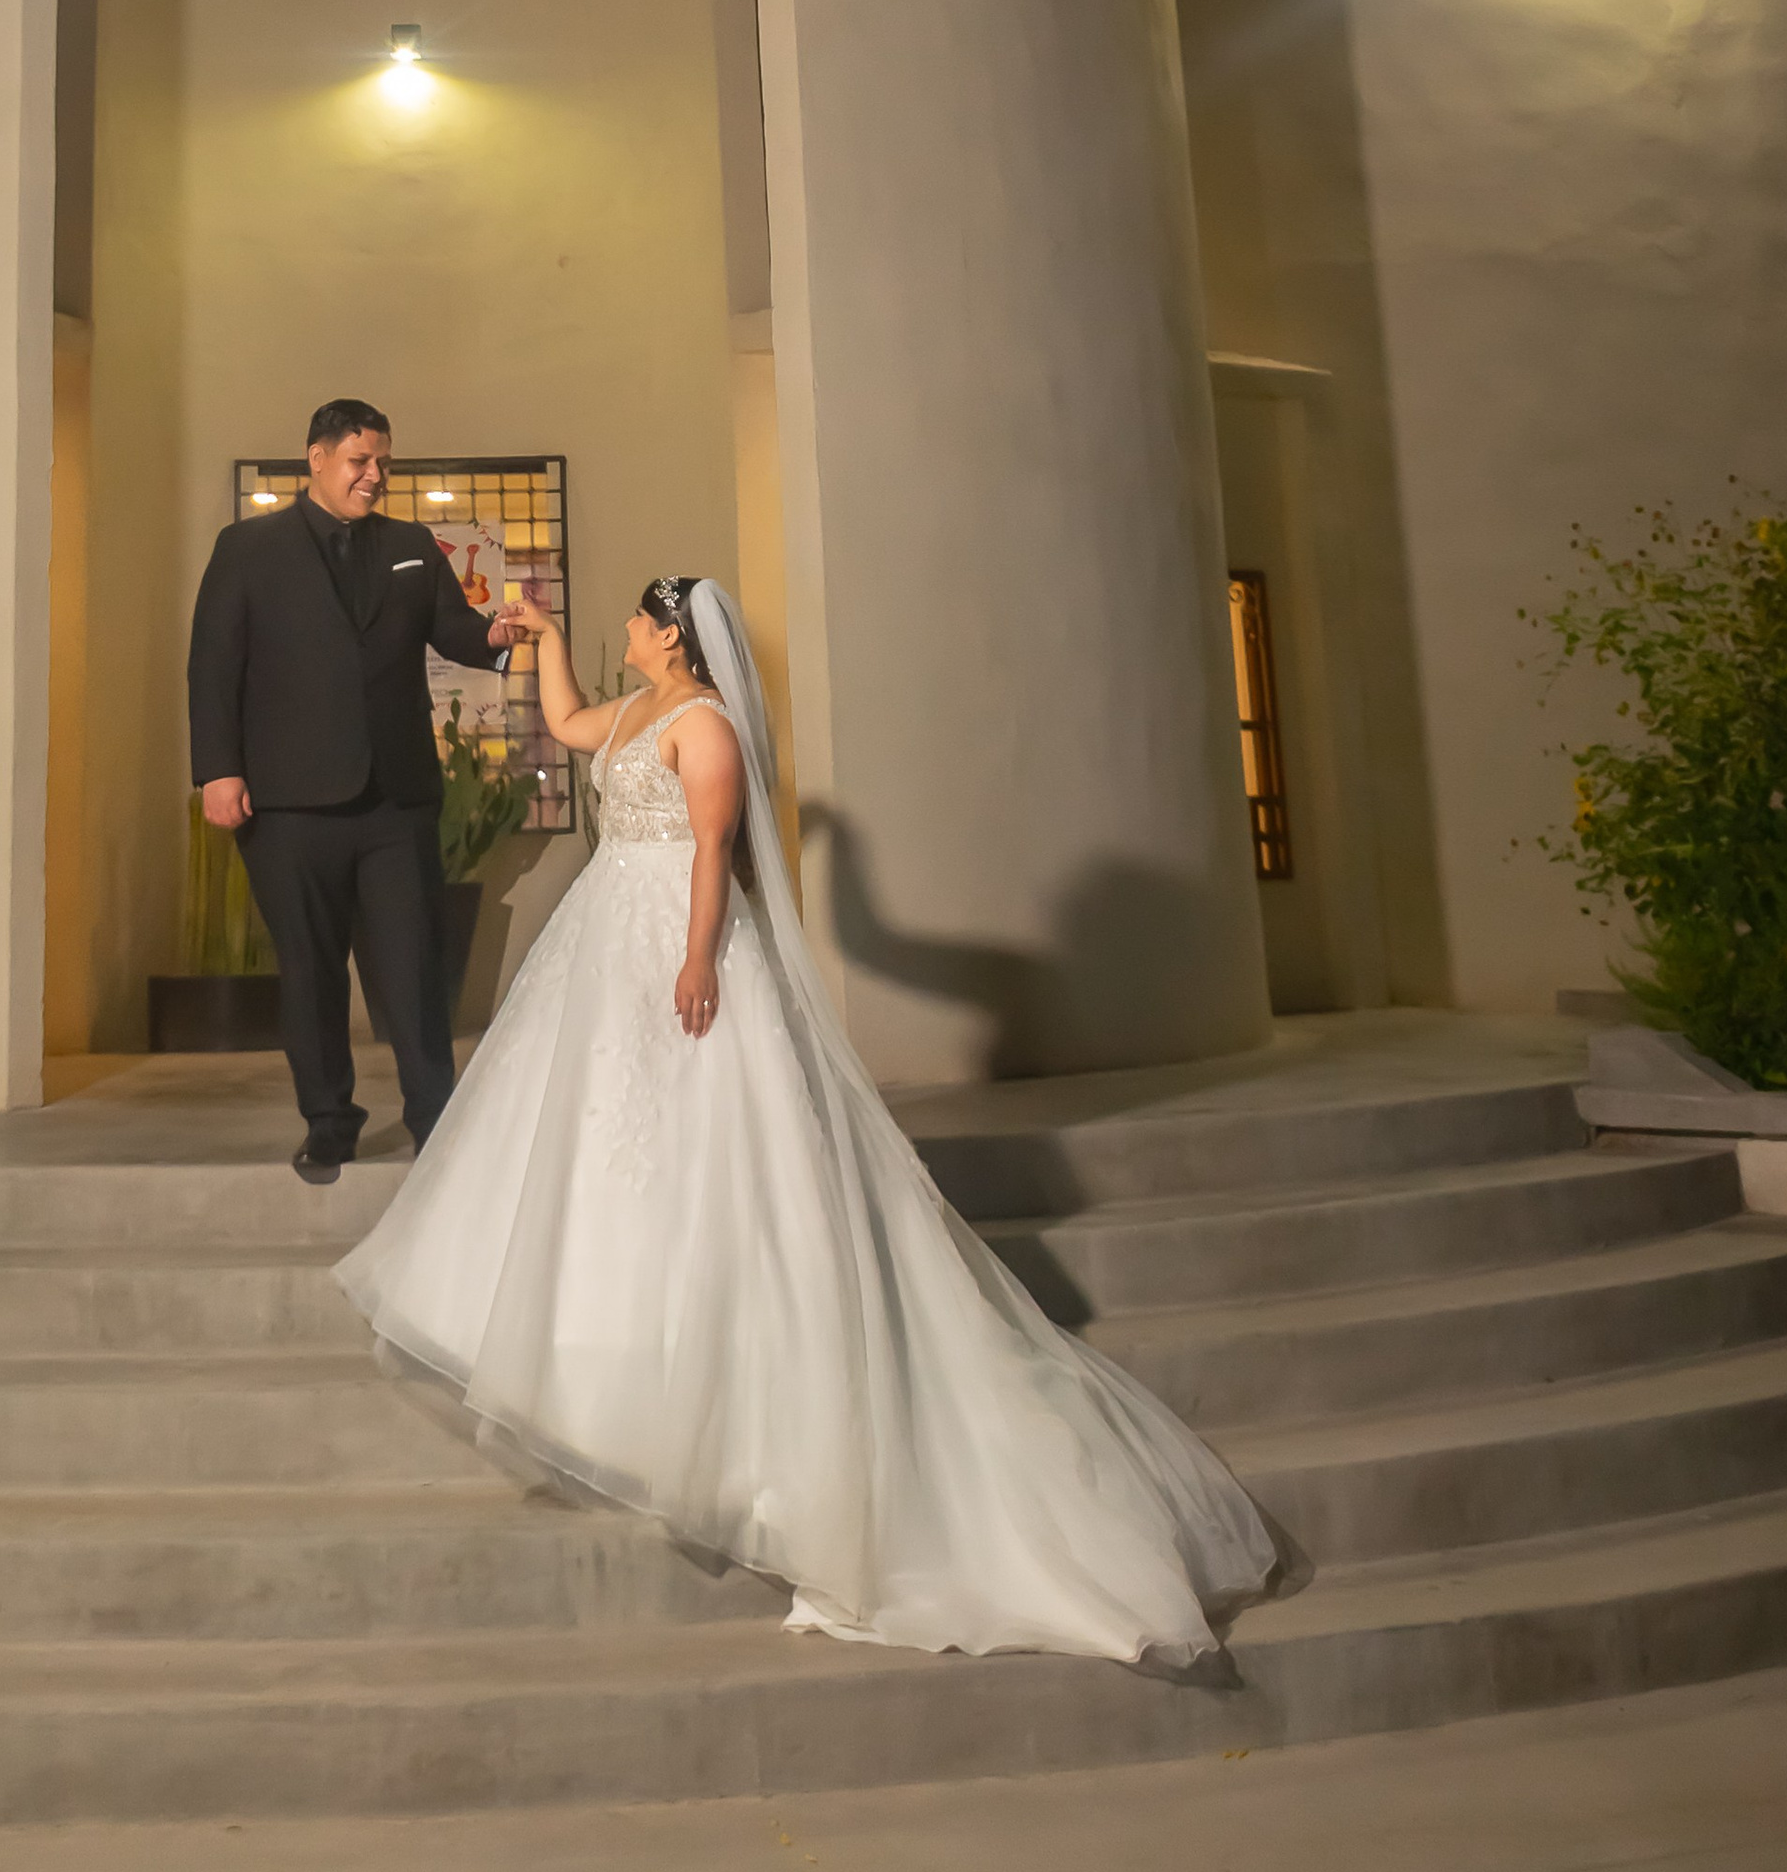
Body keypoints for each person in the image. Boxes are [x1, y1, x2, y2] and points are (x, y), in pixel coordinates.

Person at [334, 573, 1281, 1666]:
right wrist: (542, 635)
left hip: (672, 941)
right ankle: (604, 1346)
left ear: (675, 640)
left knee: (710, 1139)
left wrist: (696, 961)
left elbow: (708, 851)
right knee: (598, 1133)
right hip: (605, 942)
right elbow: (562, 722)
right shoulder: (636, 710)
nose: (629, 635)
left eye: (641, 622)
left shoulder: (705, 726)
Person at [188, 399, 531, 1184]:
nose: (374, 475)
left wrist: (497, 635)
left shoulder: (412, 547)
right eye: (358, 460)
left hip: (393, 800)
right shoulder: (247, 548)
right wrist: (218, 769)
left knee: (411, 966)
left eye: (382, 462)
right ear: (314, 458)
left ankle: (434, 1123)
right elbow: (212, 666)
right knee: (308, 969)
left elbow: (455, 629)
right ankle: (330, 1124)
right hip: (284, 804)